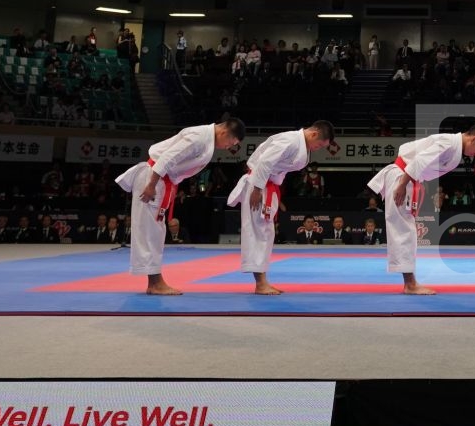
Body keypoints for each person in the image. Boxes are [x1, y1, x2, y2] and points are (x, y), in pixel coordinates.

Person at [114, 115, 245, 295]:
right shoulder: (199, 137)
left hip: (160, 180)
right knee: (149, 231)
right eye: (231, 142)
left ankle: (154, 282)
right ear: (224, 131)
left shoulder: (206, 140)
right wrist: (151, 185)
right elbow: (167, 158)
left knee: (155, 231)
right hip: (153, 178)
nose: (229, 147)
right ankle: (155, 283)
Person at [366, 121, 475, 294]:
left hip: (406, 177)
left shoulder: (454, 147)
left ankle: (410, 282)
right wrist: (402, 184)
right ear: (473, 139)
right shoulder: (449, 143)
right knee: (404, 229)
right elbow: (420, 160)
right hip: (403, 177)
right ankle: (410, 284)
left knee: (405, 228)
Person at [227, 120, 335, 294]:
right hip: (259, 186)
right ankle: (260, 284)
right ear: (314, 134)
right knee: (258, 232)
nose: (318, 148)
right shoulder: (291, 141)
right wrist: (257, 188)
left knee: (266, 232)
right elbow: (265, 161)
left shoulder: (297, 144)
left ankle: (262, 282)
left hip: (266, 186)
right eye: (320, 145)